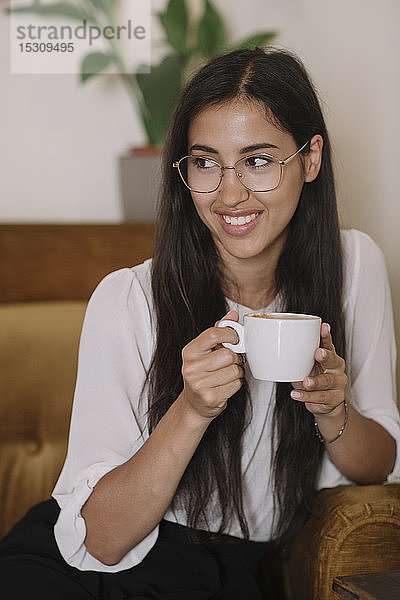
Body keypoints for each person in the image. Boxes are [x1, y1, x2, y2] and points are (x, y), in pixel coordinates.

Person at [0, 47, 399, 600]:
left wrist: (334, 411)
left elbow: (378, 464)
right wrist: (190, 410)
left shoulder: (353, 268)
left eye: (258, 160)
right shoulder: (129, 299)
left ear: (310, 160)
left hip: (230, 575)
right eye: (206, 162)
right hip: (85, 575)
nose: (229, 193)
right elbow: (104, 542)